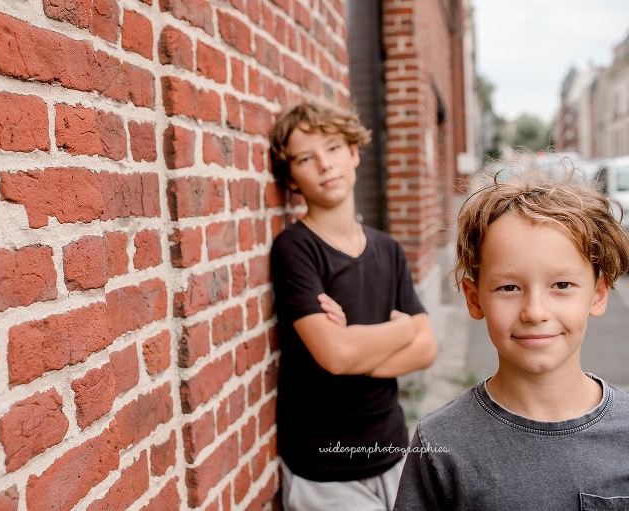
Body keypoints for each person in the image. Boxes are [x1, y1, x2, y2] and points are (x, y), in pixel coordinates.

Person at [394, 158, 629, 509]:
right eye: (508, 288)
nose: (535, 312)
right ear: (475, 300)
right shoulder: (440, 443)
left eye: (561, 285)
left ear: (597, 294)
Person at [268, 101, 437, 510]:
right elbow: (337, 355)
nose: (325, 164)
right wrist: (401, 331)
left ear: (355, 152)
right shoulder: (296, 249)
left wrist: (356, 347)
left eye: (333, 148)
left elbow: (427, 349)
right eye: (306, 158)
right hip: (325, 469)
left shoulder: (388, 249)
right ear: (291, 178)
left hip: (395, 450)